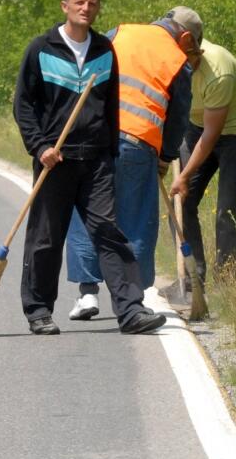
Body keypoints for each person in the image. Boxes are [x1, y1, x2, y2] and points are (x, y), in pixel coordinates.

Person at [12, 0, 166, 335]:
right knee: (47, 238)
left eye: (92, 3)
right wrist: (40, 147)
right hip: (56, 159)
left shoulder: (104, 50)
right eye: (79, 2)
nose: (86, 8)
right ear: (65, 6)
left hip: (96, 161)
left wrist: (111, 153)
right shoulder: (41, 49)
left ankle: (130, 311)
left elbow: (111, 107)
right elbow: (24, 106)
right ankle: (38, 311)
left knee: (108, 233)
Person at [63, 16, 194, 320]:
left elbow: (88, 74)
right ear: (185, 37)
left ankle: (87, 294)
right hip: (137, 143)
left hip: (93, 138)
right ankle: (133, 300)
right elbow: (177, 118)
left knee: (88, 214)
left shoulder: (119, 33)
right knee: (135, 220)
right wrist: (166, 156)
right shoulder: (177, 60)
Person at [167, 7, 236, 284]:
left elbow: (212, 135)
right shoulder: (166, 60)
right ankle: (192, 276)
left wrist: (184, 176)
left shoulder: (217, 70)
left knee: (228, 209)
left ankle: (227, 281)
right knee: (180, 203)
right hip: (195, 127)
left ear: (189, 43)